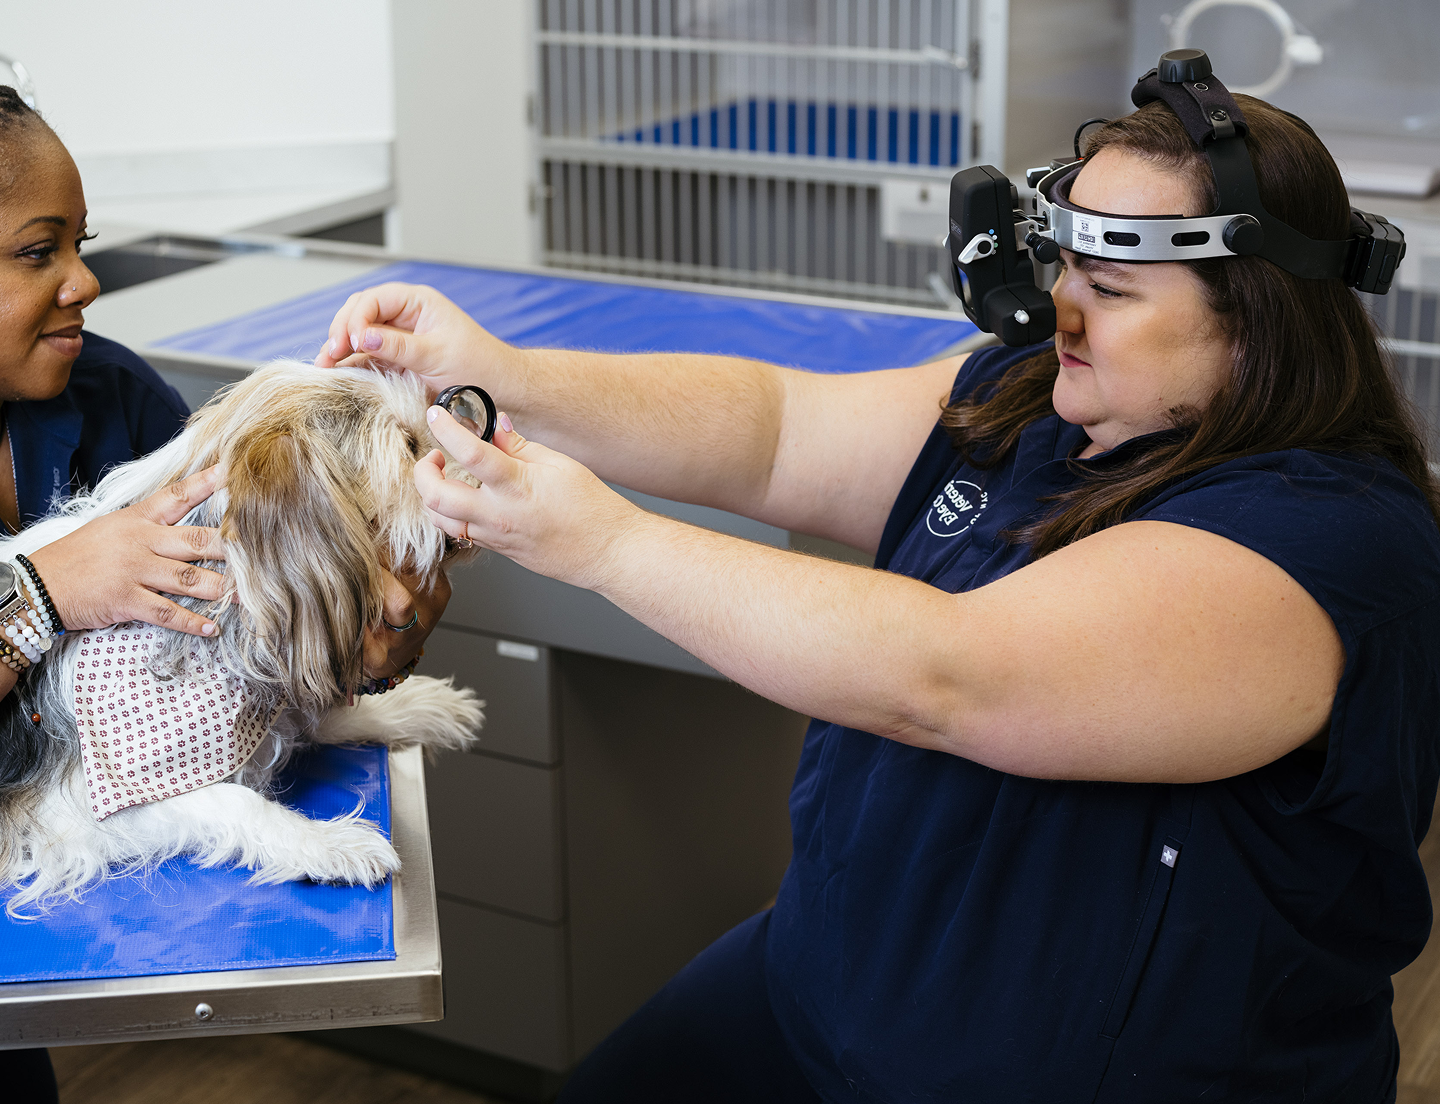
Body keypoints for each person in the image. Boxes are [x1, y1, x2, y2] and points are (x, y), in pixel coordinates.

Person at [317, 91, 1440, 1100]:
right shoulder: (1035, 401)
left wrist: (600, 544)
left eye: (1109, 287)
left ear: (1256, 317)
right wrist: (501, 370)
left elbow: (949, 676)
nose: (1062, 312)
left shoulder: (1330, 540)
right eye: (1062, 271)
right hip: (826, 986)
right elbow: (777, 432)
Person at [0, 87, 444, 1101]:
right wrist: (45, 592)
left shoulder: (110, 396)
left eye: (83, 240)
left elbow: (267, 628)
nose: (86, 279)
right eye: (38, 252)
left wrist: (374, 626)